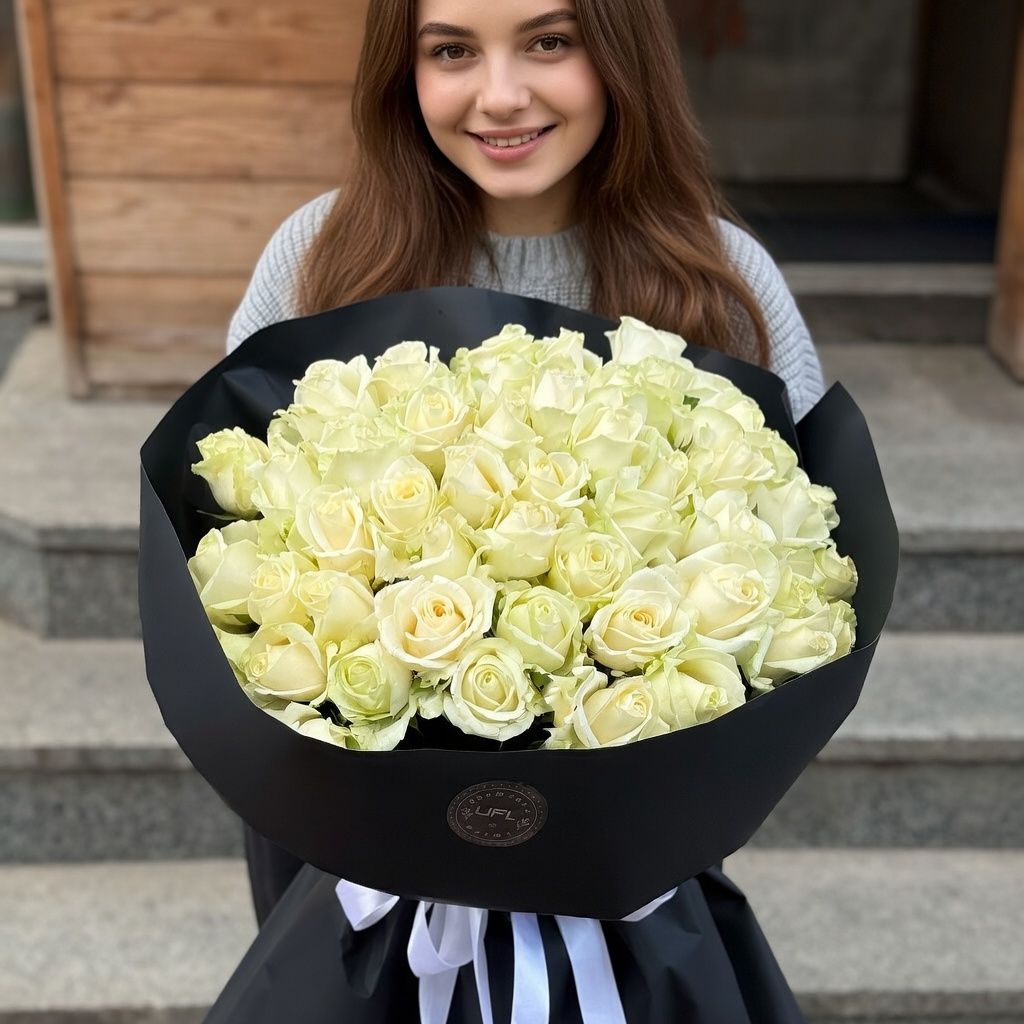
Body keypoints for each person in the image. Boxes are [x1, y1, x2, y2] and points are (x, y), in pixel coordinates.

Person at [227, 0, 826, 927]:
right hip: (343, 855)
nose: (501, 96)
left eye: (549, 42)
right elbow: (237, 531)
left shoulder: (720, 276)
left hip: (625, 859)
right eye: (451, 51)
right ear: (402, 71)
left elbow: (802, 550)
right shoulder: (320, 255)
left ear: (622, 54)